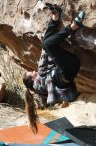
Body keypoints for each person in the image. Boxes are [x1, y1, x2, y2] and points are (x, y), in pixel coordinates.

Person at [22, 3, 86, 133]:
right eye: (31, 73)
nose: (33, 71)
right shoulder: (39, 83)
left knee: (46, 43)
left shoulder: (40, 81)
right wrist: (45, 46)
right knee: (47, 44)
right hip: (68, 70)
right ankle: (73, 26)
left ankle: (56, 17)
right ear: (32, 80)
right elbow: (44, 61)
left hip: (69, 67)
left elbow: (44, 58)